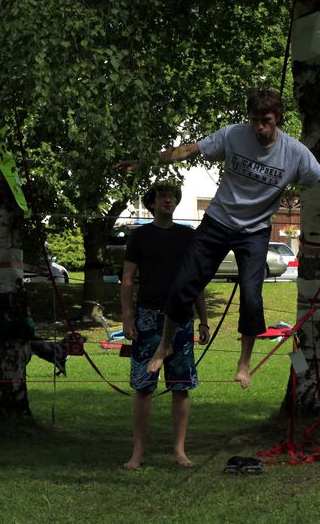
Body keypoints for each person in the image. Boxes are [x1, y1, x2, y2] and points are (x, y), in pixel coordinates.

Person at [120, 89, 320, 388]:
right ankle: (164, 345)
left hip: (255, 230)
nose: (260, 127)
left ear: (278, 120)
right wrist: (144, 162)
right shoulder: (233, 135)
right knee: (184, 284)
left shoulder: (294, 152)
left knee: (251, 297)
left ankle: (244, 363)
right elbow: (187, 150)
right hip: (218, 221)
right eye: (255, 120)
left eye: (266, 121)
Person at [121, 181, 209, 469]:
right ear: (151, 203)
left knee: (181, 386)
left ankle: (180, 451)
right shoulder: (139, 236)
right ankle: (138, 452)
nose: (167, 200)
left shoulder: (188, 236)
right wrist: (127, 316)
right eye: (161, 196)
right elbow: (128, 279)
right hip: (147, 316)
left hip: (181, 317)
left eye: (172, 197)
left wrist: (204, 321)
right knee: (143, 386)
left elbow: (196, 282)